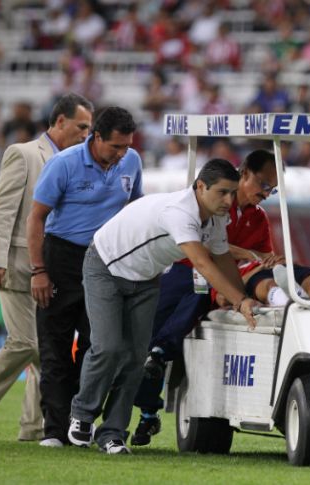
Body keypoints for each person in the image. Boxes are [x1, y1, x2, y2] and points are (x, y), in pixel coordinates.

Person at [67, 159, 259, 455]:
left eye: (233, 193)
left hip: (146, 278)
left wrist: (243, 298)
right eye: (222, 192)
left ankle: (112, 433)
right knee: (108, 347)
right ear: (200, 187)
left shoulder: (218, 218)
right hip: (105, 266)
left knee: (135, 357)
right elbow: (202, 262)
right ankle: (82, 414)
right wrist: (239, 300)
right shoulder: (180, 213)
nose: (229, 201)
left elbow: (222, 258)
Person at [131, 149, 281, 447]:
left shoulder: (259, 218)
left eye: (272, 189)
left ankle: (158, 367)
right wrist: (249, 255)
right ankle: (148, 408)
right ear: (244, 173)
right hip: (185, 268)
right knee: (147, 339)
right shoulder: (211, 206)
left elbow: (262, 259)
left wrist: (252, 271)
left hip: (221, 281)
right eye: (263, 185)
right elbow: (212, 250)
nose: (266, 193)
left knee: (198, 298)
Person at [26, 106, 143, 448]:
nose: (121, 154)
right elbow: (36, 219)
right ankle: (54, 430)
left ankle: (79, 421)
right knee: (55, 345)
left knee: (99, 347)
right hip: (62, 257)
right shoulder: (63, 164)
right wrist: (39, 271)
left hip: (107, 262)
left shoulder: (132, 162)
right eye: (115, 147)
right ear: (95, 138)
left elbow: (135, 210)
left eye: (126, 147)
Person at [0, 93, 94, 442]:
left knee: (47, 349)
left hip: (54, 269)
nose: (85, 134)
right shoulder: (24, 154)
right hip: (17, 265)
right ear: (59, 121)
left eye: (89, 129)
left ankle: (34, 427)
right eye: (81, 126)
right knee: (27, 343)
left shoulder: (79, 161)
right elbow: (3, 208)